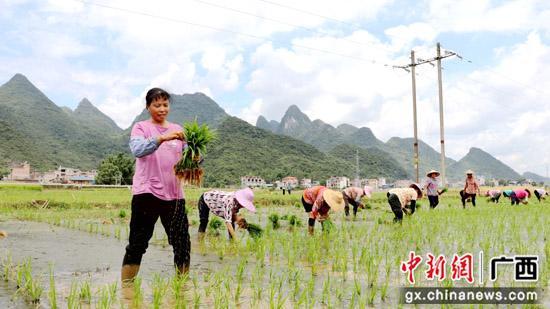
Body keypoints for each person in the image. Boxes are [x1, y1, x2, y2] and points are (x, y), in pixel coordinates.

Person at [122, 88, 191, 284]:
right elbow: (137, 149)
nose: (162, 109)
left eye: (165, 104)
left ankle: (182, 289)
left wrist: (194, 153)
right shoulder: (141, 128)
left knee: (182, 244)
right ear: (148, 107)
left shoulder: (179, 130)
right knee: (137, 243)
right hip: (147, 193)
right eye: (157, 105)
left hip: (175, 196)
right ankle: (127, 291)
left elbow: (190, 160)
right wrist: (163, 138)